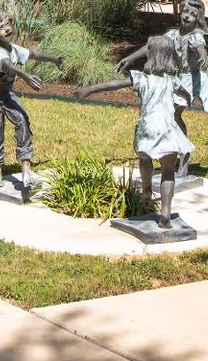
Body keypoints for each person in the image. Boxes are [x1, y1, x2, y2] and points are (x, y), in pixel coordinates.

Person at [79, 34, 193, 228]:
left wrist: (90, 89)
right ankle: (165, 213)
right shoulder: (172, 80)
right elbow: (183, 92)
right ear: (168, 56)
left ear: (152, 54)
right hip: (168, 128)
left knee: (145, 157)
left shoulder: (141, 77)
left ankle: (146, 192)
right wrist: (188, 98)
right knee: (167, 172)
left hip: (148, 127)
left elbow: (115, 84)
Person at [118, 0, 208, 178]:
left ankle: (183, 156)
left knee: (173, 115)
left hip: (191, 80)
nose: (187, 16)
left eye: (193, 14)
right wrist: (130, 58)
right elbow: (151, 47)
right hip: (178, 78)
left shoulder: (195, 37)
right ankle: (172, 152)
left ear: (198, 18)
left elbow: (200, 50)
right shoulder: (172, 34)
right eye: (185, 12)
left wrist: (203, 59)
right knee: (171, 116)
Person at [0, 10, 46, 193]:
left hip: (6, 94)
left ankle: (26, 169)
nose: (7, 29)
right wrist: (25, 76)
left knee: (22, 120)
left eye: (8, 24)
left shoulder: (13, 48)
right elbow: (8, 65)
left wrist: (54, 59)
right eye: (1, 27)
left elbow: (33, 54)